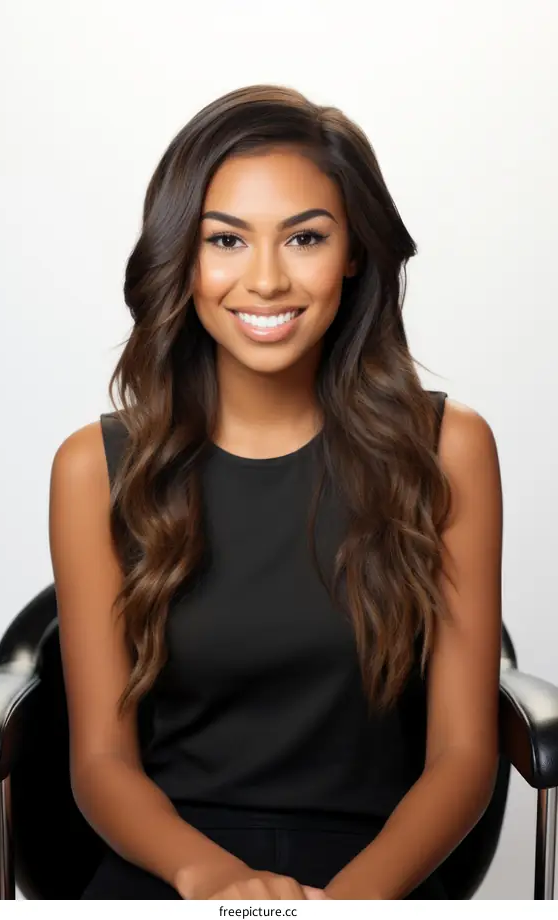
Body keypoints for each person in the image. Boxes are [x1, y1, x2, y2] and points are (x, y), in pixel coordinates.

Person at [48, 84, 503, 900]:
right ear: (181, 259)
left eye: (304, 238)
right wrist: (216, 881)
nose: (264, 280)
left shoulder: (450, 448)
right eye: (225, 239)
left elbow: (464, 758)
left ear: (354, 252)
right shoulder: (93, 465)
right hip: (173, 868)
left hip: (378, 876)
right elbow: (101, 764)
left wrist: (349, 906)